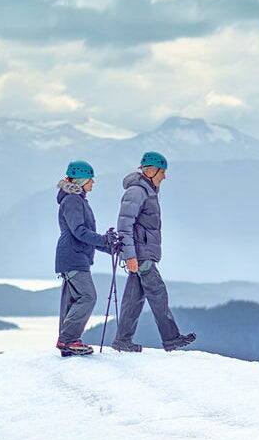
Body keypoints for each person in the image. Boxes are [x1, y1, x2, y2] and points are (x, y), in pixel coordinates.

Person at [112, 151, 196, 352]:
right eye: (162, 172)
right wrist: (130, 255)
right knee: (158, 293)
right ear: (151, 170)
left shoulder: (147, 190)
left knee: (134, 297)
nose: (164, 177)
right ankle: (171, 338)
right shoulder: (137, 192)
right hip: (141, 254)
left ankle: (122, 340)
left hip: (142, 252)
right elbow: (124, 225)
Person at [53, 160, 115, 357]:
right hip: (73, 257)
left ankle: (67, 342)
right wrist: (105, 240)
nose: (93, 183)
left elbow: (84, 235)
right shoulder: (72, 200)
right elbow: (79, 231)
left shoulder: (76, 199)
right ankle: (68, 340)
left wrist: (110, 246)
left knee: (73, 300)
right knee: (88, 296)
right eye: (90, 179)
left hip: (73, 256)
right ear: (81, 180)